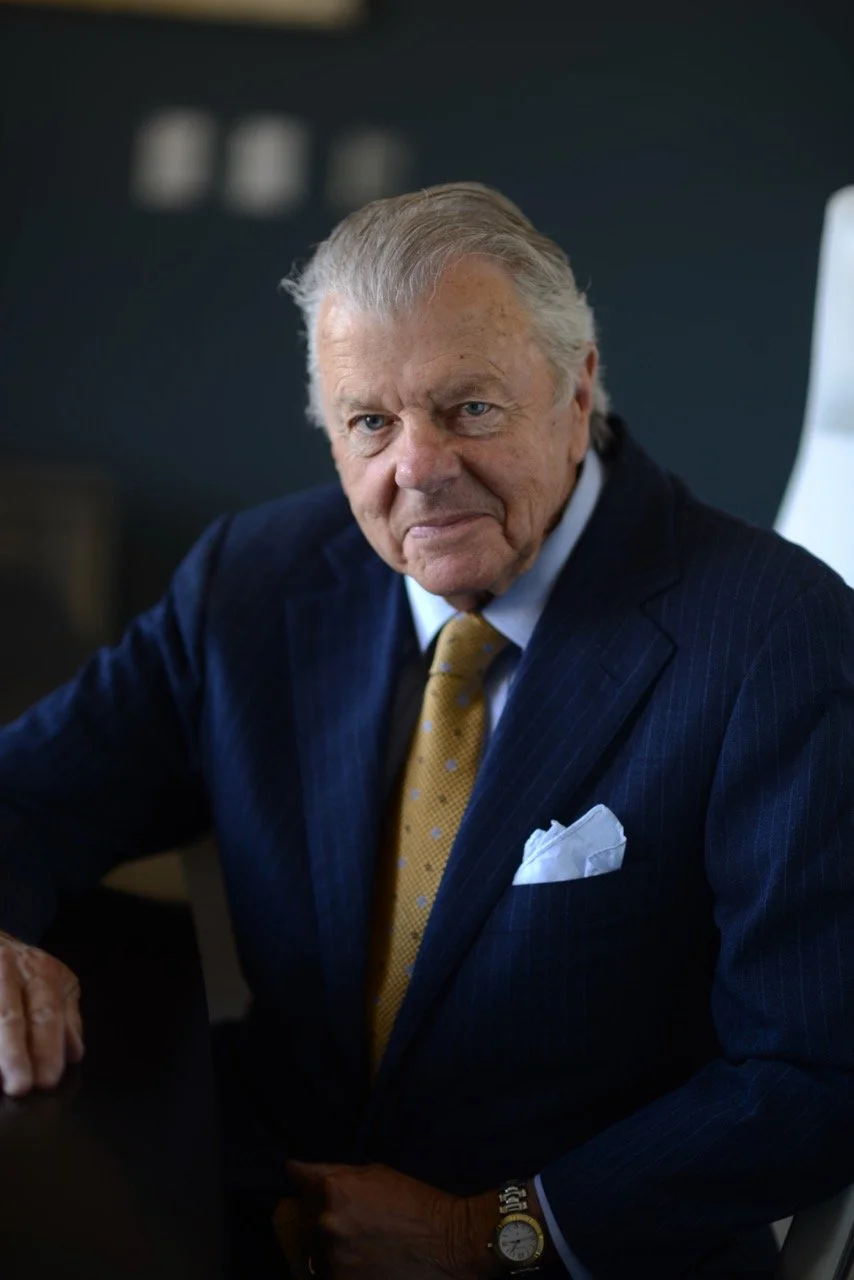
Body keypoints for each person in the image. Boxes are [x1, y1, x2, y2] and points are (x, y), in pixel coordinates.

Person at [1, 183, 853, 1280]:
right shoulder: (250, 583)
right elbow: (28, 794)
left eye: (469, 409)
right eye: (369, 421)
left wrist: (488, 1233)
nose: (417, 467)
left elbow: (812, 1070)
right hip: (250, 1216)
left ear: (576, 385)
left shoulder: (772, 635)